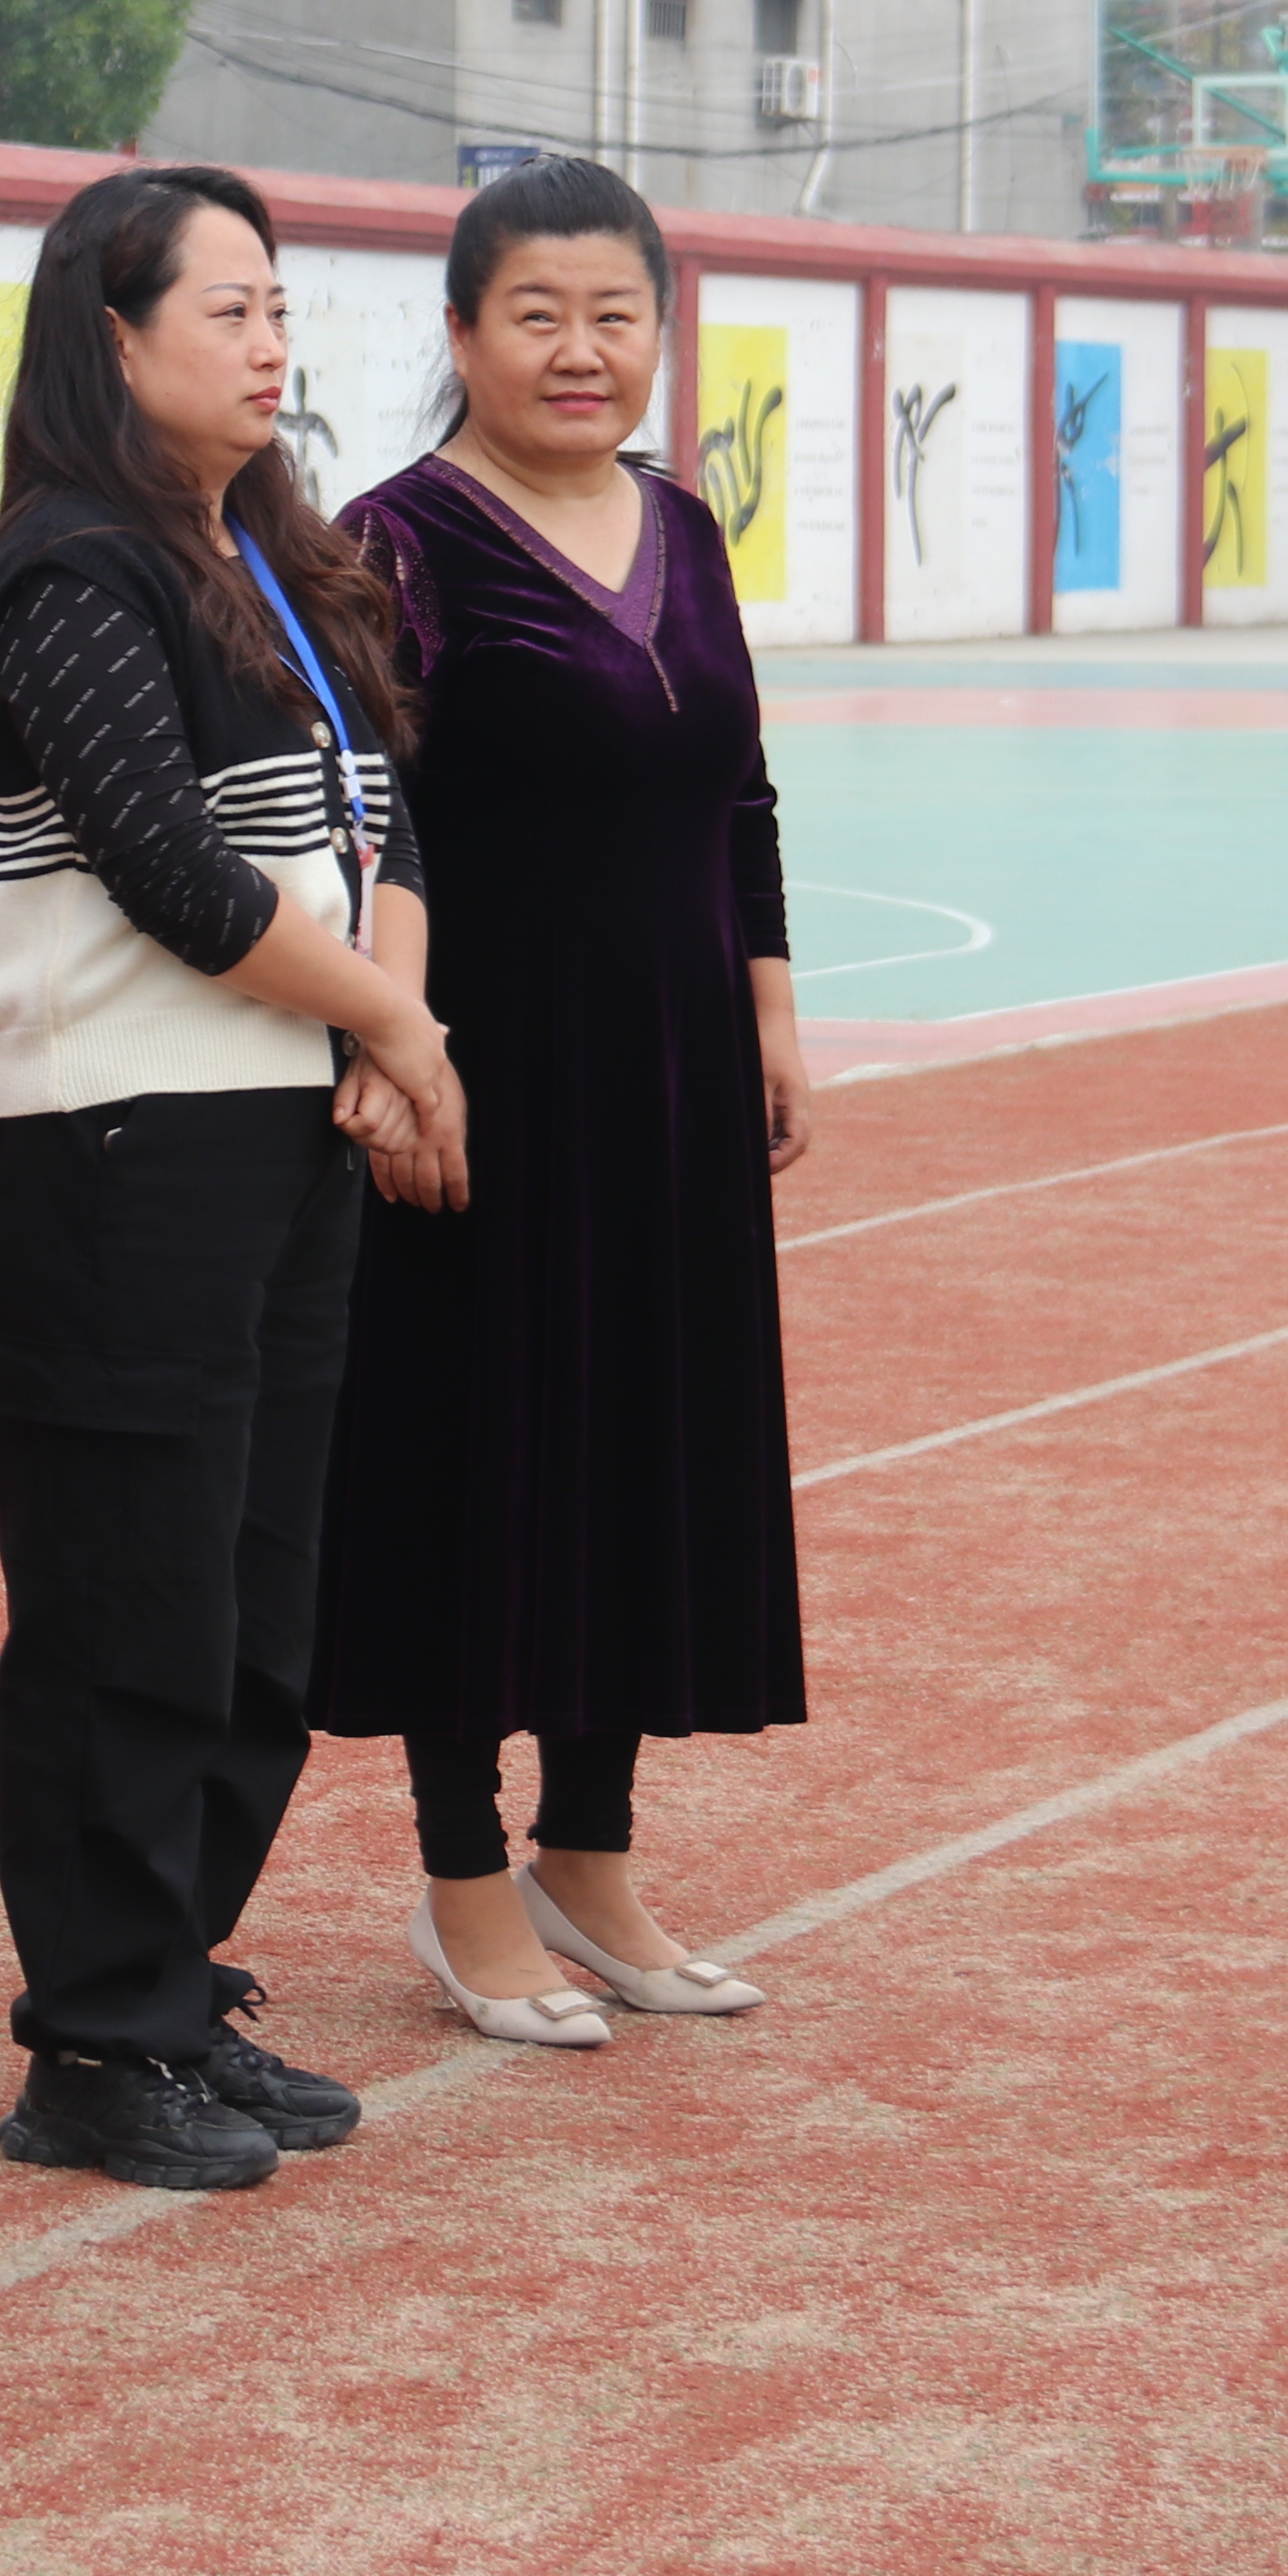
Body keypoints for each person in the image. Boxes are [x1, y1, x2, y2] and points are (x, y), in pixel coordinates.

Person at [0, 165, 467, 2190]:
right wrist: (403, 1037)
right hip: (122, 1153)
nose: (271, 345)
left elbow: (382, 816)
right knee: (125, 1598)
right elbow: (177, 876)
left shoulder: (276, 556)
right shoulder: (71, 576)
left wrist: (379, 1016)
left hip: (284, 1135)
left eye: (276, 310)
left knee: (259, 1597)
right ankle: (93, 2034)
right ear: (113, 335)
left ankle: (175, 1974)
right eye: (227, 310)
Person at [312, 155, 805, 2046]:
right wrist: (397, 1049)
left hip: (670, 1071)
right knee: (472, 1451)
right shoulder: (397, 539)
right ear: (459, 333)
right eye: (536, 313)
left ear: (659, 331)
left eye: (614, 314)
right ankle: (460, 1873)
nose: (578, 350)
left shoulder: (683, 526)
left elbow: (739, 791)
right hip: (481, 1072)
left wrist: (767, 1003)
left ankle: (587, 1853)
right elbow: (374, 822)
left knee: (637, 1447)